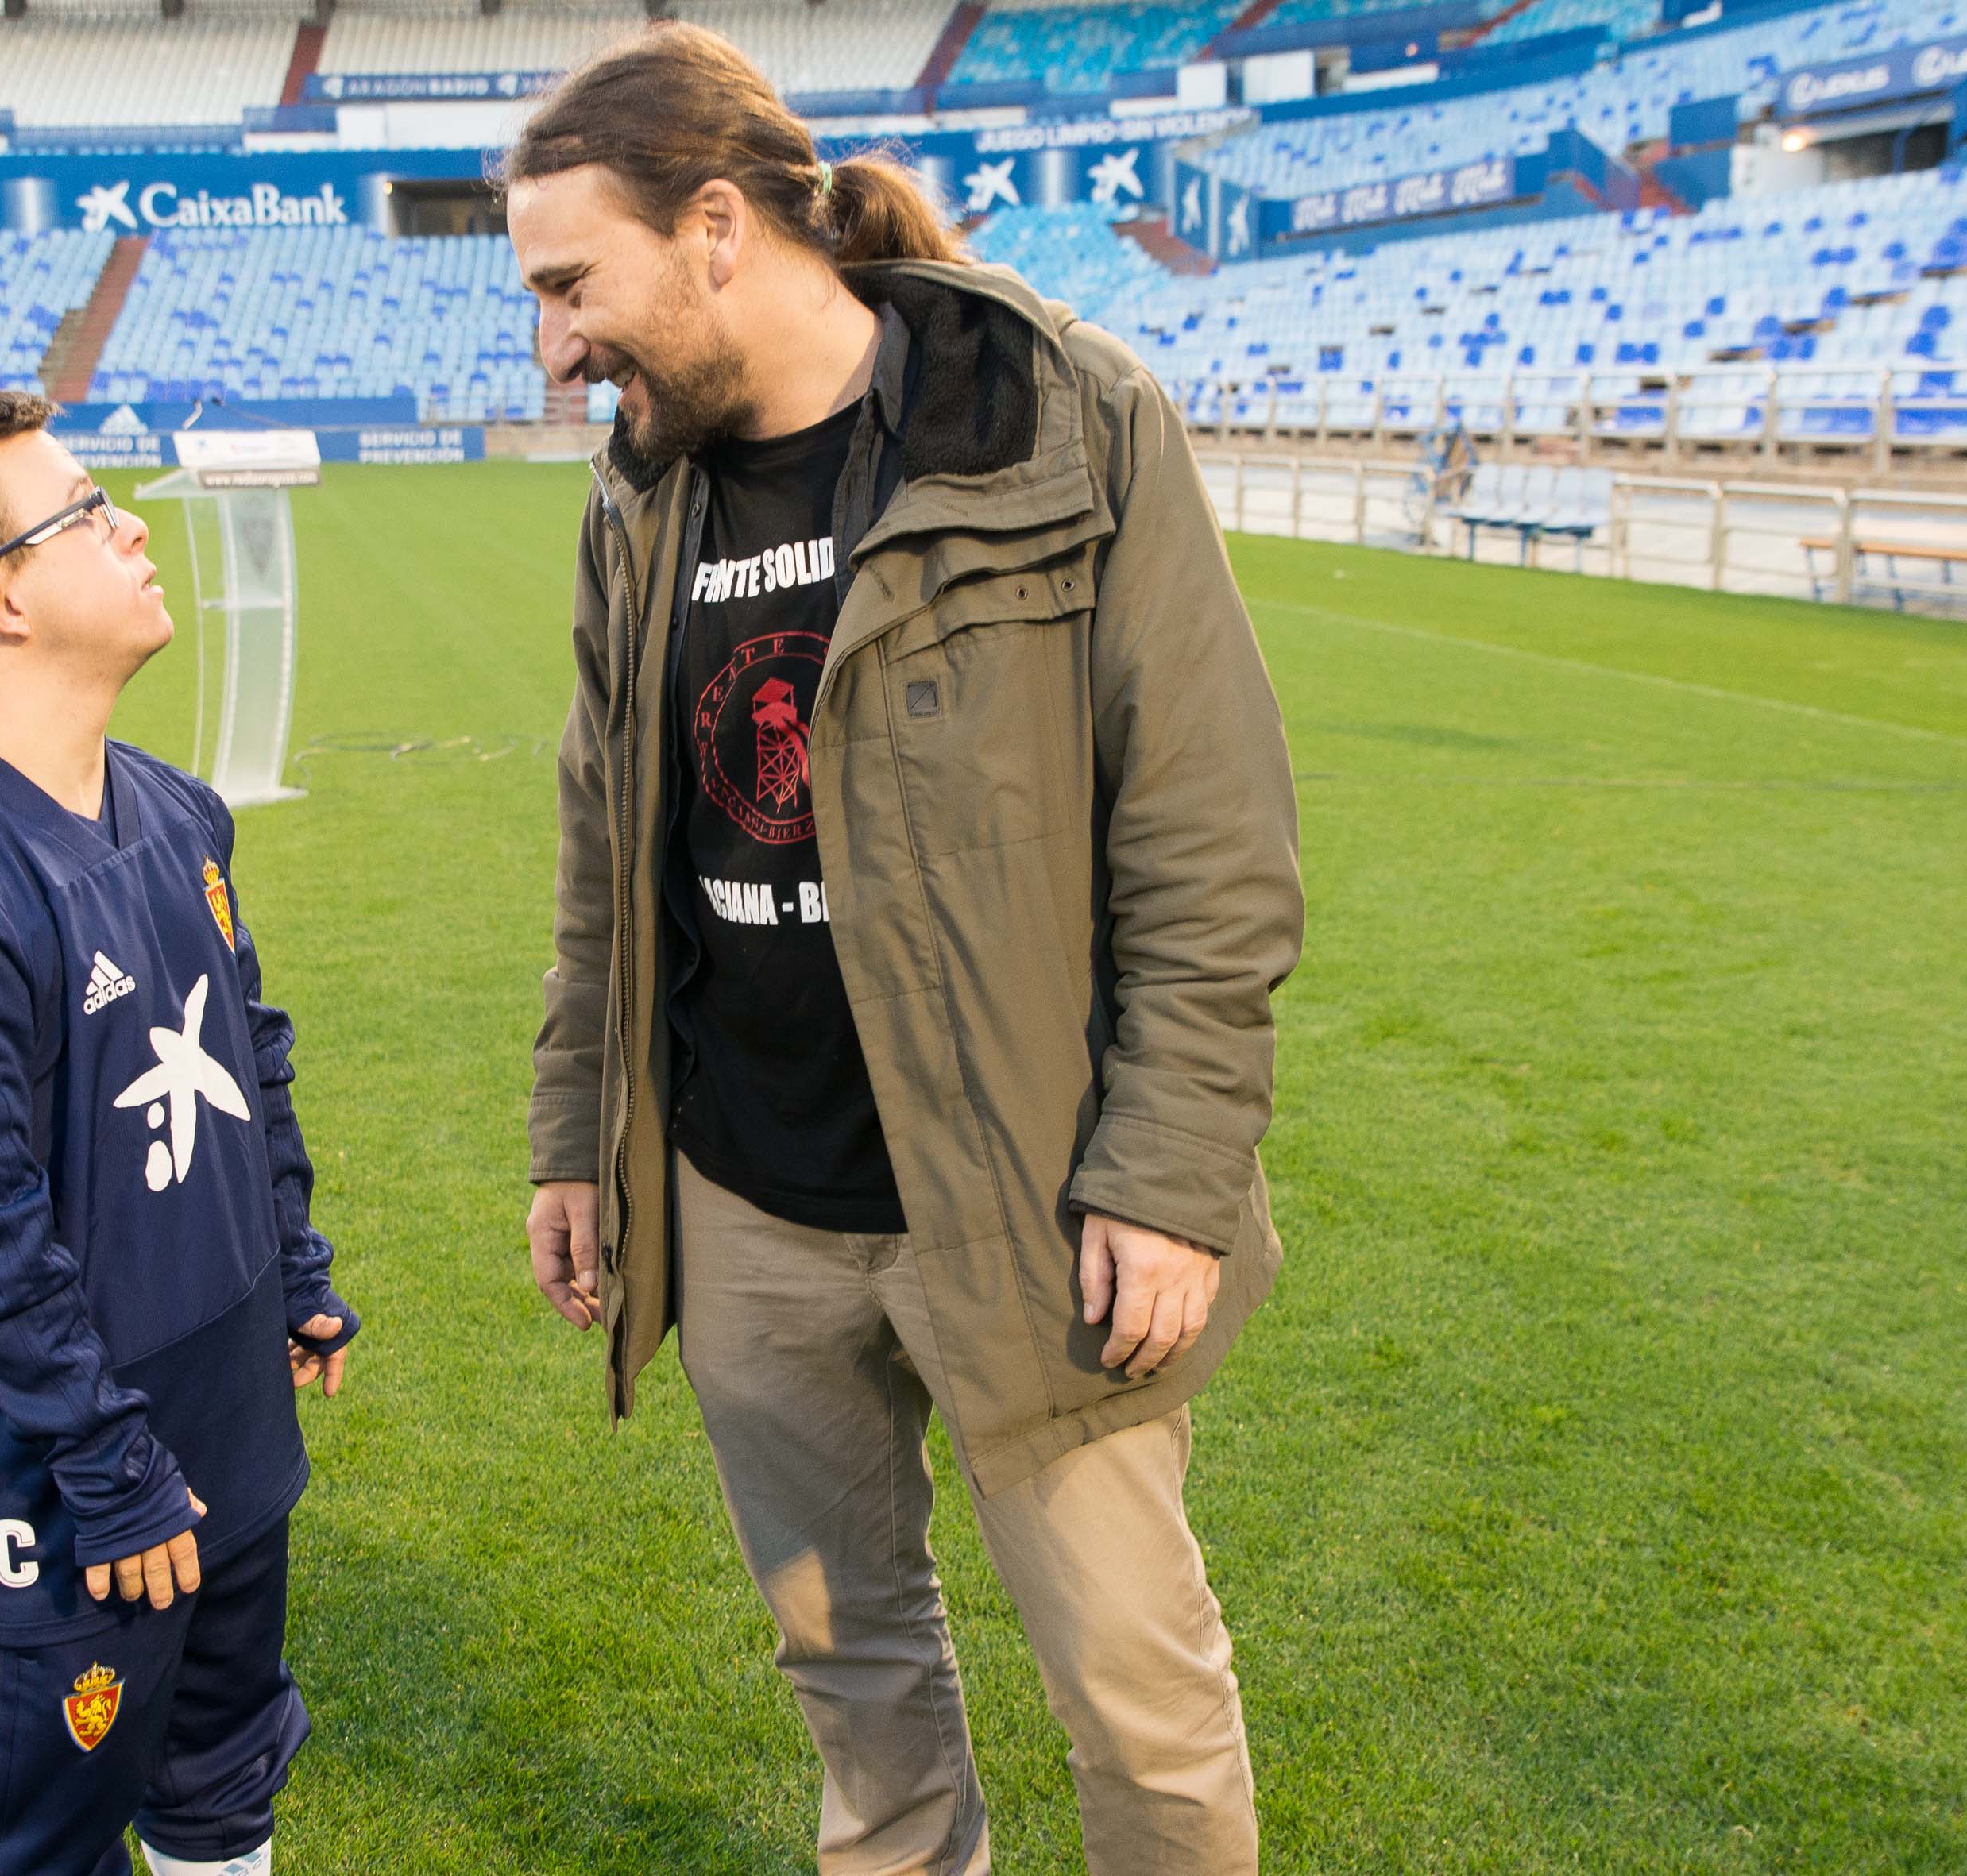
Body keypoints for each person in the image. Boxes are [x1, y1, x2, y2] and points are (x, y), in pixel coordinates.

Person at [509, 28, 1304, 1876]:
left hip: (1023, 1205)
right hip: (745, 1200)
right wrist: (576, 1128)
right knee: (848, 1668)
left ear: (715, 227)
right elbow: (602, 847)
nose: (557, 342)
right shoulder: (641, 495)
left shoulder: (1058, 419)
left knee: (1136, 1699)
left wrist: (1169, 1179)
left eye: (571, 283)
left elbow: (1209, 841)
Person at [0, 391, 357, 1876]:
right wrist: (111, 1468)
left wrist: (294, 1263)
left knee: (222, 1786)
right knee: (35, 1846)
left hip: (230, 1428)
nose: (129, 523)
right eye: (84, 507)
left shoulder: (177, 812)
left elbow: (246, 1053)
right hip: (59, 1496)